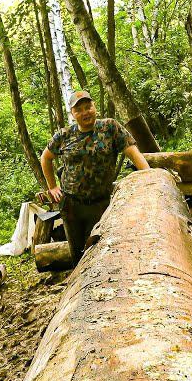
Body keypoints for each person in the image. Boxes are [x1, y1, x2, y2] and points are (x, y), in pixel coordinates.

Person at [40, 90, 150, 263]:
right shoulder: (64, 135)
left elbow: (133, 153)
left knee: (101, 250)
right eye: (79, 110)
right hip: (71, 204)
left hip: (101, 203)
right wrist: (52, 186)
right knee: (78, 254)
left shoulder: (110, 127)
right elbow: (46, 158)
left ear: (94, 106)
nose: (85, 112)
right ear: (73, 114)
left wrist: (150, 178)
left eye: (88, 107)